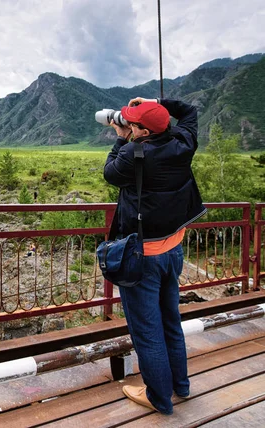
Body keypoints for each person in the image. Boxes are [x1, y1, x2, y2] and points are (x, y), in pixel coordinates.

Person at [104, 97, 206, 415]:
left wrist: (120, 138)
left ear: (143, 132)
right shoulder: (184, 141)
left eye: (133, 125)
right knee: (170, 322)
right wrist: (156, 102)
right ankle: (181, 386)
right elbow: (188, 111)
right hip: (173, 249)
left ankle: (159, 397)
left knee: (148, 331)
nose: (129, 126)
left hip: (143, 258)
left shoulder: (135, 155)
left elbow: (110, 173)